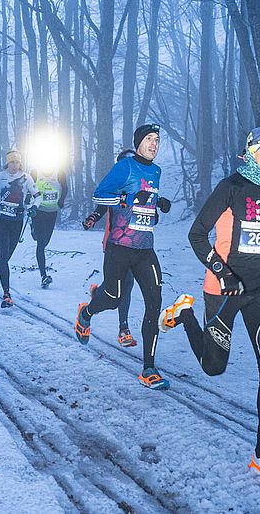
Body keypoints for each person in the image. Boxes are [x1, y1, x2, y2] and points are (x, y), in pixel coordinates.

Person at [159, 127, 260, 484]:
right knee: (213, 367)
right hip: (222, 289)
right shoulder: (231, 187)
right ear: (253, 151)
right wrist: (223, 274)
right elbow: (196, 234)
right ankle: (185, 314)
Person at [73, 124, 173, 389]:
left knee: (154, 303)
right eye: (149, 139)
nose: (153, 144)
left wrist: (158, 204)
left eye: (157, 140)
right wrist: (127, 199)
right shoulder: (124, 167)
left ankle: (149, 368)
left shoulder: (156, 171)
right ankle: (87, 312)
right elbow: (99, 195)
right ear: (138, 142)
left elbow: (146, 208)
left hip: (145, 249)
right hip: (119, 247)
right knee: (113, 298)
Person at [83, 149, 138, 347]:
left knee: (125, 285)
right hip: (114, 244)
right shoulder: (114, 187)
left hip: (136, 244)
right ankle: (121, 325)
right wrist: (92, 218)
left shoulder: (140, 187)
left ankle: (122, 327)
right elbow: (101, 207)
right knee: (121, 285)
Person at [0, 149, 38, 308]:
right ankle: (7, 295)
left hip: (17, 221)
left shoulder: (26, 178)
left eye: (17, 162)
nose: (15, 165)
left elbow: (37, 195)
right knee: (3, 255)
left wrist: (34, 207)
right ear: (7, 163)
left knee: (5, 258)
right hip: (0, 220)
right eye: (12, 162)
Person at [31, 166, 69, 288]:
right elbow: (29, 188)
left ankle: (34, 231)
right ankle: (43, 275)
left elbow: (65, 187)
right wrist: (28, 202)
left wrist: (61, 200)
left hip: (52, 211)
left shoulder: (59, 172)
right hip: (38, 210)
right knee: (41, 243)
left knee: (45, 241)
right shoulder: (35, 172)